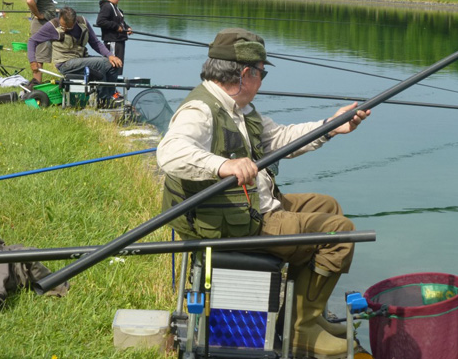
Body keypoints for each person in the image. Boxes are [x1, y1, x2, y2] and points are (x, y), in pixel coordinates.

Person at [156, 28, 370, 358]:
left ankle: (304, 316)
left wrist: (332, 126)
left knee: (328, 207)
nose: (262, 79)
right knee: (339, 234)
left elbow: (282, 138)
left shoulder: (240, 109)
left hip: (252, 204)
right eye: (262, 72)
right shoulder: (200, 111)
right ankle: (301, 331)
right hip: (233, 222)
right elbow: (170, 152)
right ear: (246, 73)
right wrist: (222, 166)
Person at [27, 6, 123, 107]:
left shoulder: (83, 22)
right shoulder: (52, 26)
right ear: (60, 18)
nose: (66, 29)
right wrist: (32, 60)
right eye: (63, 26)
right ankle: (103, 101)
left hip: (81, 59)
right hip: (65, 63)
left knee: (113, 64)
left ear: (75, 21)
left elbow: (95, 42)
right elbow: (32, 41)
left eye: (69, 27)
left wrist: (110, 55)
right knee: (101, 63)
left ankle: (112, 95)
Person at [26, 0, 58, 84]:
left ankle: (36, 84)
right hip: (40, 25)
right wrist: (39, 15)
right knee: (39, 57)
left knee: (41, 56)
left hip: (44, 24)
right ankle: (37, 87)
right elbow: (30, 0)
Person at [96, 0, 132, 75]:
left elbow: (120, 22)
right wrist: (116, 27)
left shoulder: (116, 8)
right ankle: (111, 86)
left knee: (119, 66)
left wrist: (127, 28)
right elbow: (100, 21)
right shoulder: (107, 7)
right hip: (112, 42)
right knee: (113, 66)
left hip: (119, 41)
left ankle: (115, 86)